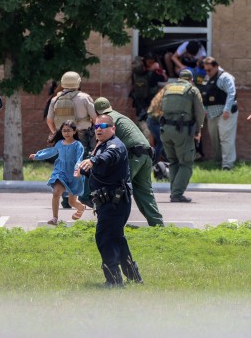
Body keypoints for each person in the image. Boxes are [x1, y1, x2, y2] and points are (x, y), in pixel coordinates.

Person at [75, 115, 142, 286]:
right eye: (96, 126)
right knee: (116, 238)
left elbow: (109, 157)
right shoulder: (101, 146)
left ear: (113, 128)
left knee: (104, 237)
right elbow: (101, 172)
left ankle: (113, 280)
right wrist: (83, 170)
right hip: (107, 202)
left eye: (103, 125)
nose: (99, 129)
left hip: (116, 202)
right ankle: (133, 277)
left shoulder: (115, 145)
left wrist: (93, 160)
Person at [94, 97, 164, 227]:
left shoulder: (105, 121)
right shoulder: (119, 116)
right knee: (144, 191)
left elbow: (101, 143)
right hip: (147, 154)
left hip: (133, 155)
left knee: (118, 188)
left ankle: (113, 223)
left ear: (96, 111)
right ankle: (158, 226)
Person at [160, 69, 205, 202]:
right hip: (182, 130)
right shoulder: (192, 90)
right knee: (186, 163)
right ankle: (177, 194)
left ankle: (174, 191)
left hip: (165, 129)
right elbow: (200, 112)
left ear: (179, 78)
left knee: (173, 161)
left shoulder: (169, 88)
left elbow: (161, 108)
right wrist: (198, 130)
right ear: (191, 79)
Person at [29, 120, 86, 225]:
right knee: (56, 192)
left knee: (71, 202)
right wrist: (37, 156)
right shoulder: (60, 143)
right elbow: (51, 152)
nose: (66, 133)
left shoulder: (78, 145)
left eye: (69, 131)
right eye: (64, 131)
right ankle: (55, 218)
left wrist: (78, 169)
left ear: (74, 131)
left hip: (74, 174)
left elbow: (79, 159)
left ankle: (81, 207)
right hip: (60, 172)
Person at [46, 71, 97, 154]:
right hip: (82, 136)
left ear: (62, 83)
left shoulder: (55, 99)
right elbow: (95, 119)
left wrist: (57, 133)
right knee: (82, 163)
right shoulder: (84, 98)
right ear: (78, 83)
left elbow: (49, 121)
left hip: (62, 137)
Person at [202, 56, 238, 170]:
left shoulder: (225, 77)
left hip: (225, 113)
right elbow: (205, 94)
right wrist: (204, 110)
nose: (207, 72)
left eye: (209, 70)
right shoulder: (207, 77)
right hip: (211, 113)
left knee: (226, 138)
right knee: (214, 138)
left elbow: (231, 93)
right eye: (205, 70)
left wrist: (226, 110)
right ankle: (218, 160)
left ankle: (228, 164)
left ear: (216, 67)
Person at [146, 87, 167, 165]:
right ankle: (153, 163)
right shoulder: (164, 99)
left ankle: (160, 161)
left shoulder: (158, 98)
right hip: (154, 122)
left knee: (160, 142)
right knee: (161, 142)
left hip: (151, 121)